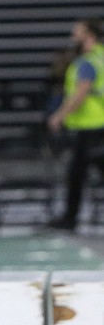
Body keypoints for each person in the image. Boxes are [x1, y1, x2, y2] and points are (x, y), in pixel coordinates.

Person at [46, 18, 104, 231]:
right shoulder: (102, 57)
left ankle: (70, 218)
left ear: (88, 35)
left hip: (89, 125)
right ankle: (69, 217)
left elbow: (80, 94)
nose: (73, 37)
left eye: (77, 33)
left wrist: (58, 116)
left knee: (76, 174)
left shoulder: (87, 62)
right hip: (99, 124)